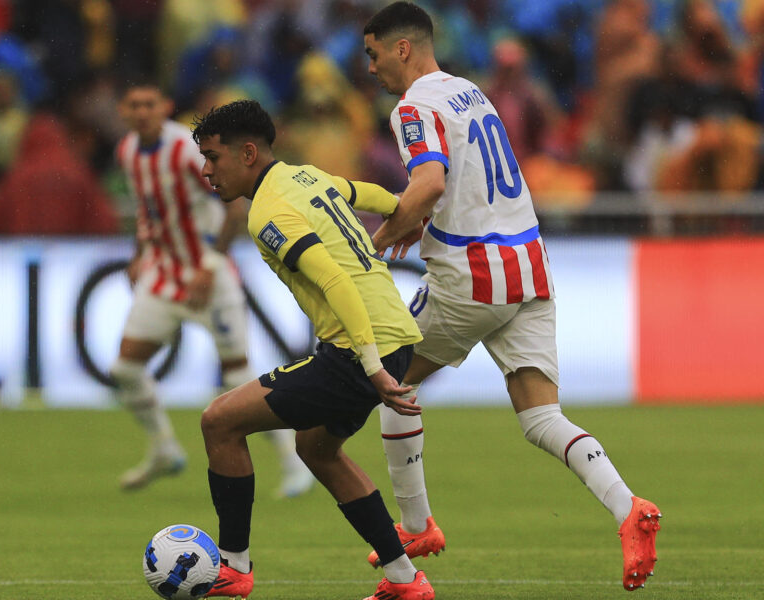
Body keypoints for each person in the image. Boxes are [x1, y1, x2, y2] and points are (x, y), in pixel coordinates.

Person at [362, 2, 660, 592]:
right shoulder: (470, 92)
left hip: (471, 276)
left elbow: (429, 183)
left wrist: (381, 237)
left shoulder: (414, 105)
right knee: (541, 416)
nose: (369, 69)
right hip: (529, 267)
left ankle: (416, 525)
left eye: (372, 55)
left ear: (401, 48)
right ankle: (629, 508)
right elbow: (468, 183)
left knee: (385, 376)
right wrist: (422, 220)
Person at [193, 99, 435, 600]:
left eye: (214, 158)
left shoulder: (268, 212)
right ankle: (405, 582)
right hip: (394, 335)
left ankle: (234, 566)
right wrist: (401, 210)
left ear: (249, 153)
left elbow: (335, 280)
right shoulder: (306, 177)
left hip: (357, 348)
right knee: (317, 449)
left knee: (219, 421)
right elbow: (362, 192)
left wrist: (370, 368)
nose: (206, 170)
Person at [112, 80, 313, 497]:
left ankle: (294, 463)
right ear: (124, 111)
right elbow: (148, 210)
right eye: (134, 104)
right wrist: (139, 253)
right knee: (125, 368)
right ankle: (164, 447)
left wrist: (210, 262)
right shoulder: (128, 152)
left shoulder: (186, 150)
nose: (142, 111)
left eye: (149, 102)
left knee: (238, 375)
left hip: (211, 274)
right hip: (164, 275)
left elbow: (233, 207)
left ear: (164, 106)